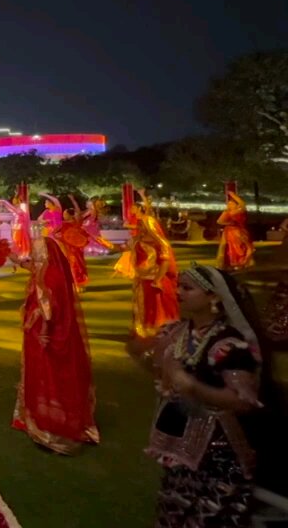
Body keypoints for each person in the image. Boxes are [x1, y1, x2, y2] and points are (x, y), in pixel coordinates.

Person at [128, 265, 265, 527]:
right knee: (173, 512)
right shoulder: (177, 333)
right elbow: (160, 372)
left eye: (187, 288)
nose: (178, 291)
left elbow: (241, 401)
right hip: (180, 449)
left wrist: (192, 386)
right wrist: (137, 352)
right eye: (179, 286)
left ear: (214, 297)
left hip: (218, 458)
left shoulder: (229, 344)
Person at [9, 235, 99, 454]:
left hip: (43, 334)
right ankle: (46, 418)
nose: (33, 256)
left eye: (36, 252)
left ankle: (50, 428)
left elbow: (47, 309)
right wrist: (15, 259)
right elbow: (33, 269)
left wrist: (44, 333)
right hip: (49, 333)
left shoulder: (49, 276)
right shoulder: (49, 270)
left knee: (47, 374)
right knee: (52, 375)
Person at [115, 194, 179, 340]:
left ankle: (157, 332)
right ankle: (141, 330)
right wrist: (101, 241)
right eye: (140, 225)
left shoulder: (161, 244)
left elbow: (165, 262)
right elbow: (120, 247)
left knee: (155, 308)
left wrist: (158, 279)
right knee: (140, 306)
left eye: (143, 225)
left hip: (155, 281)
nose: (140, 227)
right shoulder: (137, 240)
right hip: (141, 279)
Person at [217, 191, 255, 272]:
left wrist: (233, 196)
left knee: (241, 247)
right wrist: (229, 222)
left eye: (232, 203)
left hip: (239, 231)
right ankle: (233, 263)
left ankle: (242, 262)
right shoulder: (227, 212)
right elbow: (219, 221)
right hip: (230, 231)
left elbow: (243, 204)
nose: (230, 205)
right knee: (231, 248)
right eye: (229, 204)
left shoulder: (240, 210)